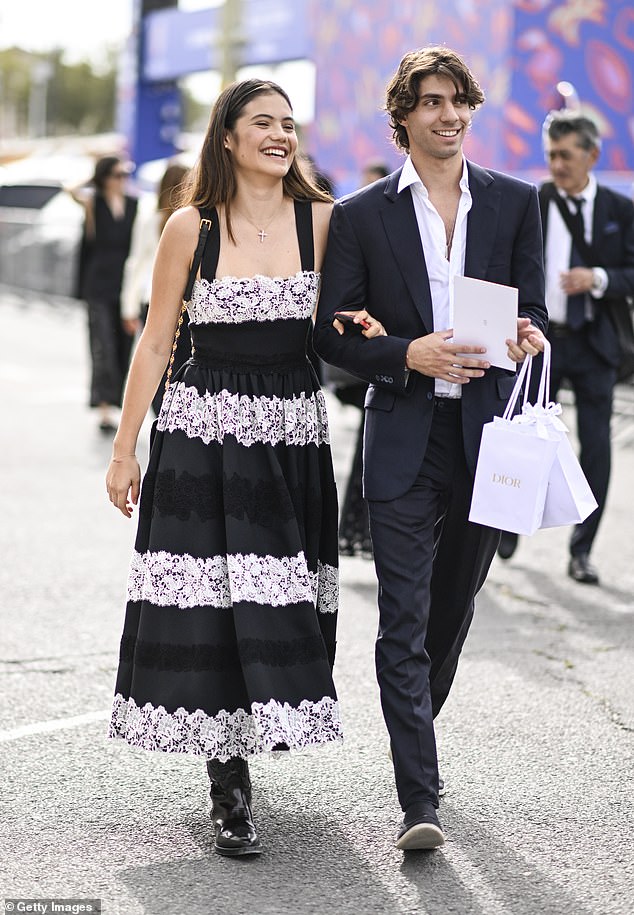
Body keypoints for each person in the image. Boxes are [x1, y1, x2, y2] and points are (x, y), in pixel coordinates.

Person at [105, 78, 383, 858]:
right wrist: (126, 446)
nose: (280, 135)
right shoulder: (186, 228)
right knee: (212, 607)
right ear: (226, 136)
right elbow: (156, 343)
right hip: (201, 433)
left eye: (289, 124)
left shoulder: (327, 221)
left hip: (291, 433)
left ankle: (257, 737)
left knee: (281, 598)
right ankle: (227, 782)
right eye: (263, 122)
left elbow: (356, 321)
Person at [314, 46, 547, 851]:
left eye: (459, 102)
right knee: (402, 618)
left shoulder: (516, 203)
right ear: (404, 117)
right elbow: (332, 330)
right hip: (405, 431)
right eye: (433, 102)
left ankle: (416, 729)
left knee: (451, 610)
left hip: (489, 436)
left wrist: (527, 331)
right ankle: (421, 794)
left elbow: (534, 306)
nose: (450, 115)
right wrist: (405, 353)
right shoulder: (362, 214)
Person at [497, 111, 634, 584]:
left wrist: (597, 279)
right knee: (518, 435)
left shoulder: (620, 210)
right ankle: (507, 525)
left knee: (596, 448)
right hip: (540, 342)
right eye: (550, 155)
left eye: (566, 156)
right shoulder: (530, 201)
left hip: (595, 343)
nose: (556, 165)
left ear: (592, 156)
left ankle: (582, 550)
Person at [72, 156, 138, 433]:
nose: (121, 180)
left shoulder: (135, 205)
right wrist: (93, 181)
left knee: (124, 345)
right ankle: (103, 410)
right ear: (104, 178)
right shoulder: (93, 204)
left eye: (125, 174)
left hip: (126, 285)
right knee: (103, 347)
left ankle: (119, 405)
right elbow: (70, 189)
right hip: (97, 285)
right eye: (116, 175)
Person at [120, 161, 191, 415]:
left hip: (153, 299)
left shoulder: (153, 220)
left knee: (159, 361)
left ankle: (162, 412)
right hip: (185, 303)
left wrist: (128, 307)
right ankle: (173, 414)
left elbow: (135, 264)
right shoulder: (191, 222)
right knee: (181, 362)